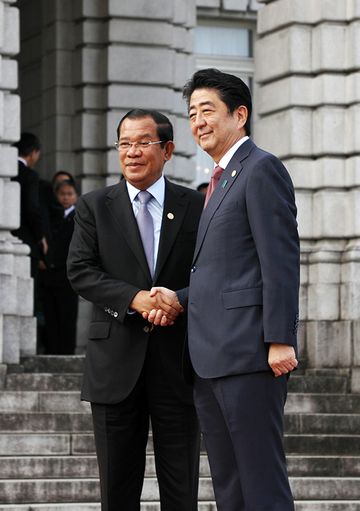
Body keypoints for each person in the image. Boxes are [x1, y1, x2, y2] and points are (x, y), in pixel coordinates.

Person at [146, 68, 300, 510]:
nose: (198, 121)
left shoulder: (261, 169)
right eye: (192, 113)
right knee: (229, 486)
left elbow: (280, 260)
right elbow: (223, 271)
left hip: (250, 355)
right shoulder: (218, 180)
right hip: (210, 359)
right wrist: (179, 298)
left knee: (261, 482)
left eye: (207, 110)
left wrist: (280, 338)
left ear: (240, 114)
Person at [67, 109, 204, 511]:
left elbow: (215, 270)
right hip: (114, 365)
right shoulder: (94, 205)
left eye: (143, 142)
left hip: (177, 362)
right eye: (124, 143)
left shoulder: (195, 204)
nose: (132, 152)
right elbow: (79, 270)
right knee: (117, 490)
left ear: (168, 150)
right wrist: (136, 299)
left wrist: (180, 299)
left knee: (181, 490)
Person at [40, 180, 79, 354]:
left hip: (68, 276)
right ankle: (51, 350)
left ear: (76, 196)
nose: (65, 198)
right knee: (50, 316)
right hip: (49, 273)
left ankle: (67, 352)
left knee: (67, 316)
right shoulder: (50, 216)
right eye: (62, 194)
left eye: (69, 194)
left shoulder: (79, 218)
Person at [11, 132, 47, 277]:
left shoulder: (7, 171)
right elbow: (32, 209)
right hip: (24, 240)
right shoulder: (29, 175)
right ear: (33, 153)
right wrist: (40, 237)